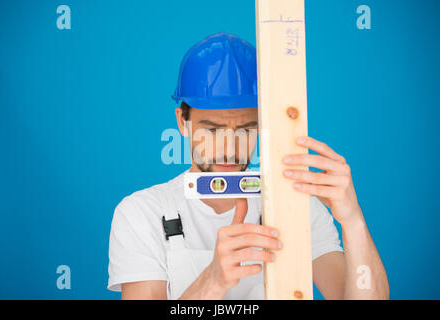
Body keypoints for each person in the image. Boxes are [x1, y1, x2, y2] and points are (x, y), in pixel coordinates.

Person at [107, 32, 389, 300]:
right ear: (183, 121)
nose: (230, 149)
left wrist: (353, 219)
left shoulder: (297, 207)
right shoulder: (141, 213)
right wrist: (212, 281)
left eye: (245, 129)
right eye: (213, 131)